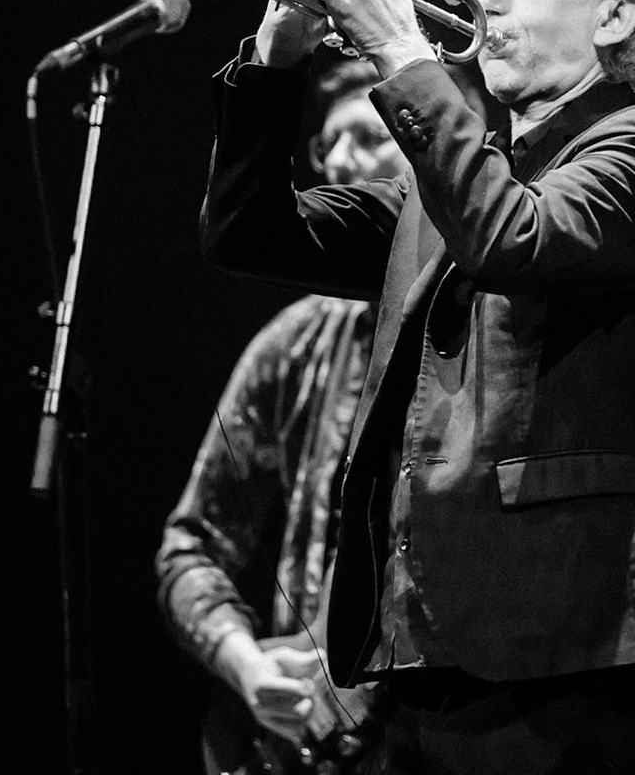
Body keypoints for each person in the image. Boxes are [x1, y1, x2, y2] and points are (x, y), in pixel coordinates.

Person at [198, 0, 635, 773]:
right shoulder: (444, 183)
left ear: (617, 17)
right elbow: (247, 234)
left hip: (557, 661)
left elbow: (516, 237)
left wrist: (398, 46)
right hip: (409, 661)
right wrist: (276, 63)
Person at [157, 58, 409, 775]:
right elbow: (193, 544)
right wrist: (244, 666)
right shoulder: (291, 347)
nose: (339, 160)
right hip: (308, 738)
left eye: (367, 136)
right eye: (326, 145)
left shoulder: (481, 323)